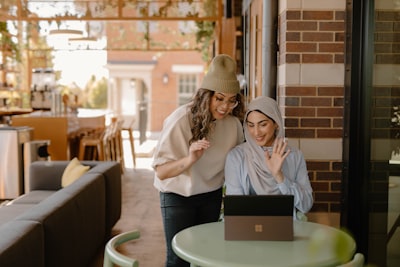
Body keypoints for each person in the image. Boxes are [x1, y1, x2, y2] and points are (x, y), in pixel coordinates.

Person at [152, 54, 245, 267]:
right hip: (177, 195)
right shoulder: (181, 120)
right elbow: (161, 172)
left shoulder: (233, 125)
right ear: (206, 96)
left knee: (206, 257)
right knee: (178, 260)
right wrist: (190, 159)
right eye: (219, 98)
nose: (225, 106)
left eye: (232, 100)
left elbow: (239, 163)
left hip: (210, 195)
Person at [224, 96, 313, 219]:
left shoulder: (294, 155)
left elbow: (306, 205)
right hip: (247, 228)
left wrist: (279, 176)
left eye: (263, 124)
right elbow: (235, 208)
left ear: (276, 123)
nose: (256, 132)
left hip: (285, 228)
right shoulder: (236, 157)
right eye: (251, 125)